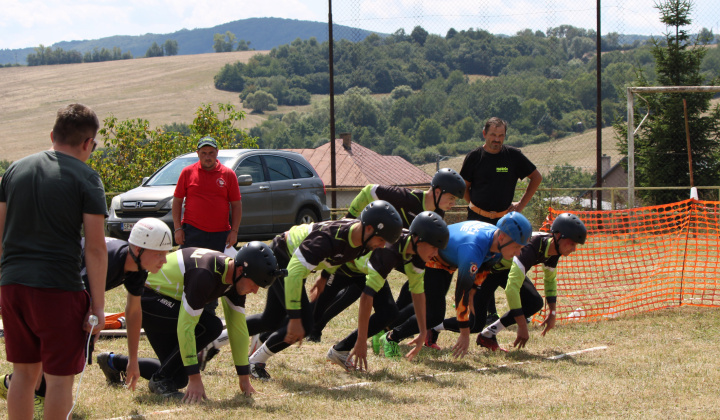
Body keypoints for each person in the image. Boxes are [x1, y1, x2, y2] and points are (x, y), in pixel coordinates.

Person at [0, 103, 108, 420]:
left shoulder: (14, 170)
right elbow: (97, 249)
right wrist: (98, 307)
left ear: (52, 135)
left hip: (12, 286)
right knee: (60, 379)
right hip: (58, 288)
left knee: (23, 374)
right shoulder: (88, 178)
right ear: (88, 143)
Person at [0, 218, 172, 410]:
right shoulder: (109, 261)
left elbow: (133, 312)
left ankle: (15, 383)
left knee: (78, 345)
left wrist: (133, 360)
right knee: (64, 347)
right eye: (160, 254)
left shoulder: (137, 267)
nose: (164, 261)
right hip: (39, 283)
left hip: (61, 290)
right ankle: (30, 391)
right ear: (139, 249)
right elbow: (62, 309)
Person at [95, 242, 286, 402]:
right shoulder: (205, 274)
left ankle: (113, 362)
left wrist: (244, 379)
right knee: (210, 326)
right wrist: (196, 377)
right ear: (240, 270)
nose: (254, 291)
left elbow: (238, 329)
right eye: (255, 284)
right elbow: (187, 326)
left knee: (177, 377)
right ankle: (160, 379)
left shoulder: (234, 278)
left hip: (166, 302)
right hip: (149, 298)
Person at [245, 200, 403, 380]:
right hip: (284, 255)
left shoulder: (359, 240)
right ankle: (254, 362)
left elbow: (338, 254)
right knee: (303, 323)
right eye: (381, 239)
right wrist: (296, 318)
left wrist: (324, 277)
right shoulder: (335, 237)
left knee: (271, 319)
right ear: (369, 229)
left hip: (294, 259)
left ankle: (221, 336)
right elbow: (294, 273)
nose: (382, 246)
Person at [305, 168, 465, 342]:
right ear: (437, 191)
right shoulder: (406, 198)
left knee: (418, 285)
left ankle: (392, 325)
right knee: (342, 289)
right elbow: (368, 191)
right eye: (451, 198)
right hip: (365, 249)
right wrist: (348, 220)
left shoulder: (437, 215)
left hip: (391, 255)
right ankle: (311, 327)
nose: (453, 204)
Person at [378, 212, 533, 359]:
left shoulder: (497, 246)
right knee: (434, 314)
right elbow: (460, 294)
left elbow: (485, 268)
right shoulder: (473, 249)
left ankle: (384, 327)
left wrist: (473, 291)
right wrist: (464, 333)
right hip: (435, 257)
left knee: (426, 307)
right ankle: (391, 337)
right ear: (503, 237)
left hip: (449, 260)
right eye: (517, 247)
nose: (519, 253)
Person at [428, 213, 587, 352]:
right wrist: (522, 325)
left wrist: (552, 312)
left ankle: (489, 335)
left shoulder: (553, 251)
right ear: (558, 236)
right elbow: (512, 289)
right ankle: (434, 327)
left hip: (505, 270)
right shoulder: (531, 247)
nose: (574, 249)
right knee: (475, 323)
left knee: (534, 302)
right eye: (572, 243)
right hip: (489, 271)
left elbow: (550, 279)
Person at [326, 212, 449, 372]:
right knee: (315, 316)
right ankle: (338, 347)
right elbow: (366, 298)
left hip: (368, 269)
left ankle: (339, 350)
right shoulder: (389, 251)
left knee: (389, 313)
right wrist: (361, 340)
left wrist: (422, 331)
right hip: (350, 266)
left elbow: (418, 294)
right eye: (434, 247)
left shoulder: (417, 253)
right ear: (418, 239)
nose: (436, 253)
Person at [460, 117, 542, 323]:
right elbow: (464, 188)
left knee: (504, 265)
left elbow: (536, 177)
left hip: (505, 223)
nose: (497, 140)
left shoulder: (513, 156)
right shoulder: (473, 158)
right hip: (477, 221)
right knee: (479, 266)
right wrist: (477, 207)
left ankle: (521, 308)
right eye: (493, 135)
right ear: (484, 134)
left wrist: (520, 206)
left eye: (501, 136)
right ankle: (486, 312)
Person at [172, 136, 242, 252]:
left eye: (211, 153)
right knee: (192, 269)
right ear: (198, 153)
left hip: (220, 234)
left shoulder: (228, 174)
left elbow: (236, 205)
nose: (207, 157)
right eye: (203, 153)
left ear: (217, 152)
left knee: (218, 269)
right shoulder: (187, 172)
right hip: (192, 232)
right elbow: (177, 201)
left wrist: (234, 231)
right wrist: (178, 228)